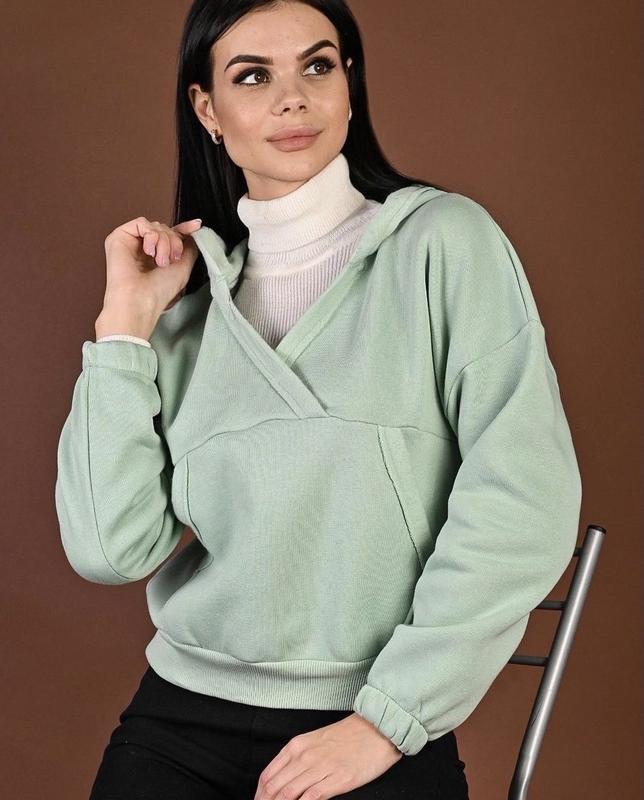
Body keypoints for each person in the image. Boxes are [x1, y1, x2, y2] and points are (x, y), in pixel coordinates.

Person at [54, 1, 583, 798]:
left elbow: (525, 499)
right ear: (207, 110)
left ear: (348, 84)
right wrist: (123, 327)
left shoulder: (445, 243)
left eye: (317, 65)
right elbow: (107, 549)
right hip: (181, 719)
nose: (293, 97)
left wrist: (386, 722)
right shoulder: (188, 313)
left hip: (375, 718)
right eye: (252, 77)